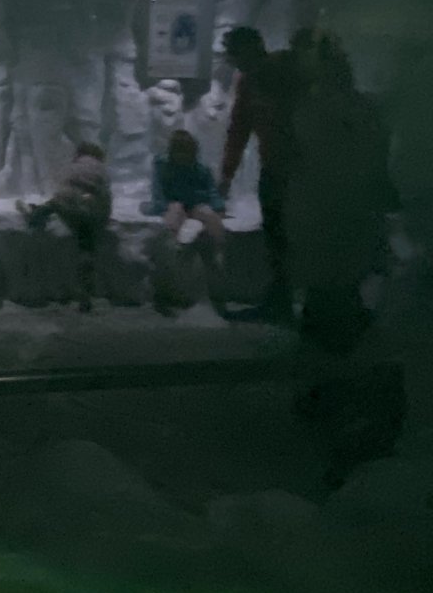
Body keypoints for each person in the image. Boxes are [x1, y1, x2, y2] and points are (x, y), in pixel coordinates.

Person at [285, 31, 397, 353]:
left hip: (329, 198)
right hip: (340, 198)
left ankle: (327, 326)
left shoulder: (313, 108)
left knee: (332, 268)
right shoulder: (354, 108)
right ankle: (334, 326)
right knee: (339, 268)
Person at [217, 26, 304, 323]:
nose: (234, 61)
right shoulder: (249, 83)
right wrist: (226, 175)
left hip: (304, 170)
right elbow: (238, 130)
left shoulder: (288, 69)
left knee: (302, 237)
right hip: (275, 170)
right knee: (277, 238)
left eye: (235, 54)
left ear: (252, 48)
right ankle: (280, 302)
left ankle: (312, 302)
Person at [18, 142, 112, 312]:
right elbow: (106, 192)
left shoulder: (76, 166)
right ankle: (85, 294)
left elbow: (64, 187)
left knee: (54, 203)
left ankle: (34, 214)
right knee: (86, 248)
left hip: (73, 206)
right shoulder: (101, 168)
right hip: (95, 211)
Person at [145, 129, 228, 313]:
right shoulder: (162, 166)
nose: (183, 156)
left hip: (196, 203)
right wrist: (162, 207)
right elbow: (158, 193)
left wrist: (218, 207)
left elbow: (212, 192)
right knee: (174, 211)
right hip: (175, 203)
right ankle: (174, 254)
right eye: (179, 151)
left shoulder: (201, 169)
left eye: (187, 151)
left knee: (208, 213)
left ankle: (217, 255)